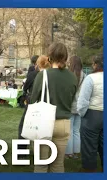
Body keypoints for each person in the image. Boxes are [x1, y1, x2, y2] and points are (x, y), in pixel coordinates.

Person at [30, 43, 78, 173]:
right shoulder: (73, 77)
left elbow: (33, 100)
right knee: (58, 165)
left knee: (41, 165)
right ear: (65, 57)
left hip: (44, 122)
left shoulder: (43, 75)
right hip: (63, 123)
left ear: (49, 57)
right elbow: (71, 99)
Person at [17, 55, 50, 157]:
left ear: (37, 64)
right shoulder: (50, 74)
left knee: (24, 127)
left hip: (33, 104)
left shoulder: (34, 75)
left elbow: (25, 87)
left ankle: (22, 152)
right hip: (46, 104)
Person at [77, 54, 103, 172]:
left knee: (89, 146)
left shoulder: (91, 78)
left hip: (92, 114)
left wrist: (82, 114)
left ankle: (89, 170)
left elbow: (83, 101)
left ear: (96, 64)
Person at [65, 56, 86, 159]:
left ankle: (69, 153)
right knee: (77, 130)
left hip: (70, 105)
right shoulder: (85, 76)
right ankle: (76, 152)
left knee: (69, 130)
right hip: (80, 106)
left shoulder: (69, 75)